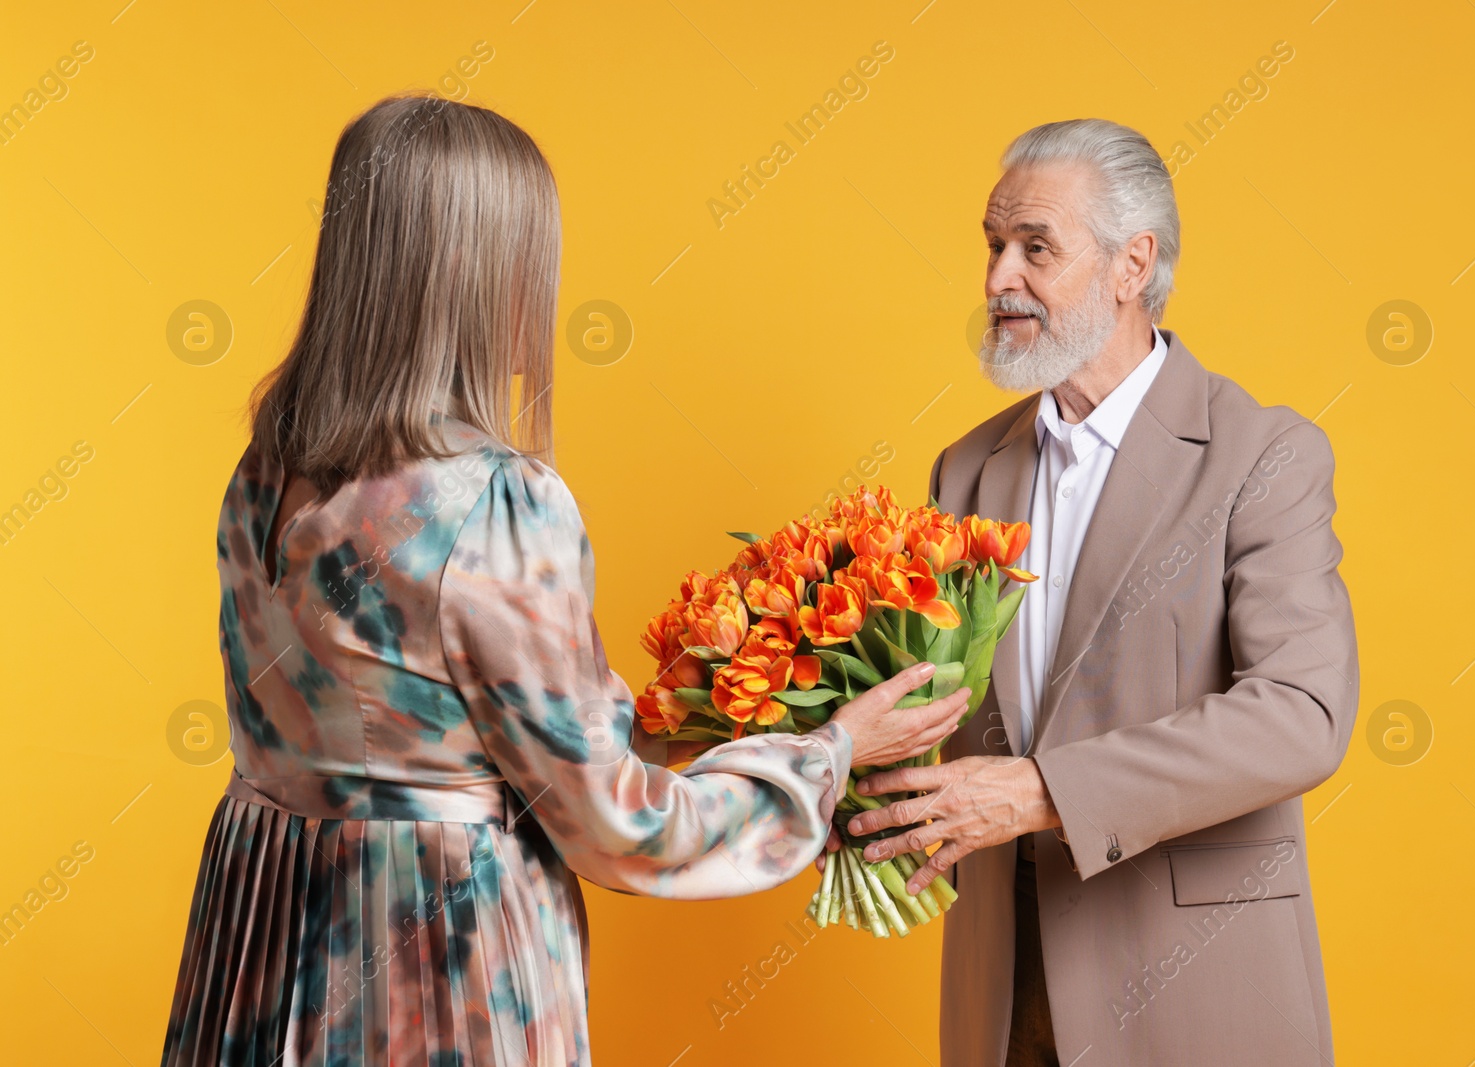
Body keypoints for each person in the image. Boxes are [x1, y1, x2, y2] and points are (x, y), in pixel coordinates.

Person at [160, 94, 970, 1067]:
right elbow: (618, 827)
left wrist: (671, 716)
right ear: (466, 272)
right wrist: (826, 753)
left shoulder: (265, 468)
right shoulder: (499, 502)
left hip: (270, 928)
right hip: (436, 960)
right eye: (526, 258)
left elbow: (417, 716)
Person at [845, 119, 1359, 1065]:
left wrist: (1043, 792)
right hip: (1004, 994)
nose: (998, 278)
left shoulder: (1263, 456)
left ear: (1133, 265)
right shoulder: (963, 471)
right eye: (994, 247)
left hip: (1194, 995)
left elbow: (1302, 712)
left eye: (1035, 248)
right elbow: (933, 715)